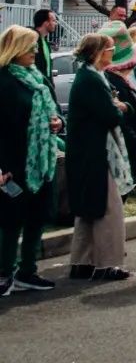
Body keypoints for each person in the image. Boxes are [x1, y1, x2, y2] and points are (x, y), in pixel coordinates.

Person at [66, 33, 135, 282]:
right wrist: (120, 107)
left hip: (85, 150)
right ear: (97, 52)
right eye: (109, 49)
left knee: (88, 210)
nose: (112, 52)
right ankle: (108, 263)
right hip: (96, 151)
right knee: (109, 208)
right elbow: (110, 115)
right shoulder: (92, 80)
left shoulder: (87, 76)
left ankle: (81, 262)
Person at [0, 25, 61, 296]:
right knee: (10, 221)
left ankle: (28, 271)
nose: (35, 52)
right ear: (15, 49)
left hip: (42, 161)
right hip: (13, 163)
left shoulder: (39, 79)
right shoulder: (4, 81)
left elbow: (55, 112)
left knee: (38, 217)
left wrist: (58, 122)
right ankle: (4, 272)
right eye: (30, 47)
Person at [98, 22, 136, 193]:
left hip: (124, 149)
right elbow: (119, 120)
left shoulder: (117, 81)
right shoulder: (112, 83)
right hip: (120, 152)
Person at [29, 10, 58, 102]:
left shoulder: (45, 42)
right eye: (53, 20)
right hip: (35, 90)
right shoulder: (32, 39)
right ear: (46, 23)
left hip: (46, 89)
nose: (56, 24)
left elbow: (47, 69)